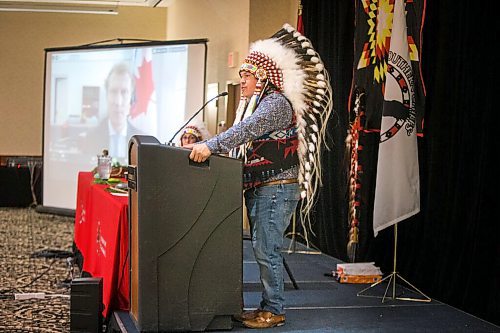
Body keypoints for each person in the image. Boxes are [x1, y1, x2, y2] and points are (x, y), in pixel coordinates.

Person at [185, 23, 333, 329]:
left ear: (263, 76)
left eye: (247, 75)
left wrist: (210, 145)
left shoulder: (276, 104)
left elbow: (245, 131)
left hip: (275, 188)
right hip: (266, 187)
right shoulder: (264, 102)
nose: (242, 81)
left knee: (267, 250)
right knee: (263, 248)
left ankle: (274, 309)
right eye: (241, 75)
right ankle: (267, 305)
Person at [83, 62, 143, 165]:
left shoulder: (141, 141)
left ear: (131, 98)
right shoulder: (90, 138)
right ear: (106, 96)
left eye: (124, 92)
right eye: (113, 92)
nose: (118, 102)